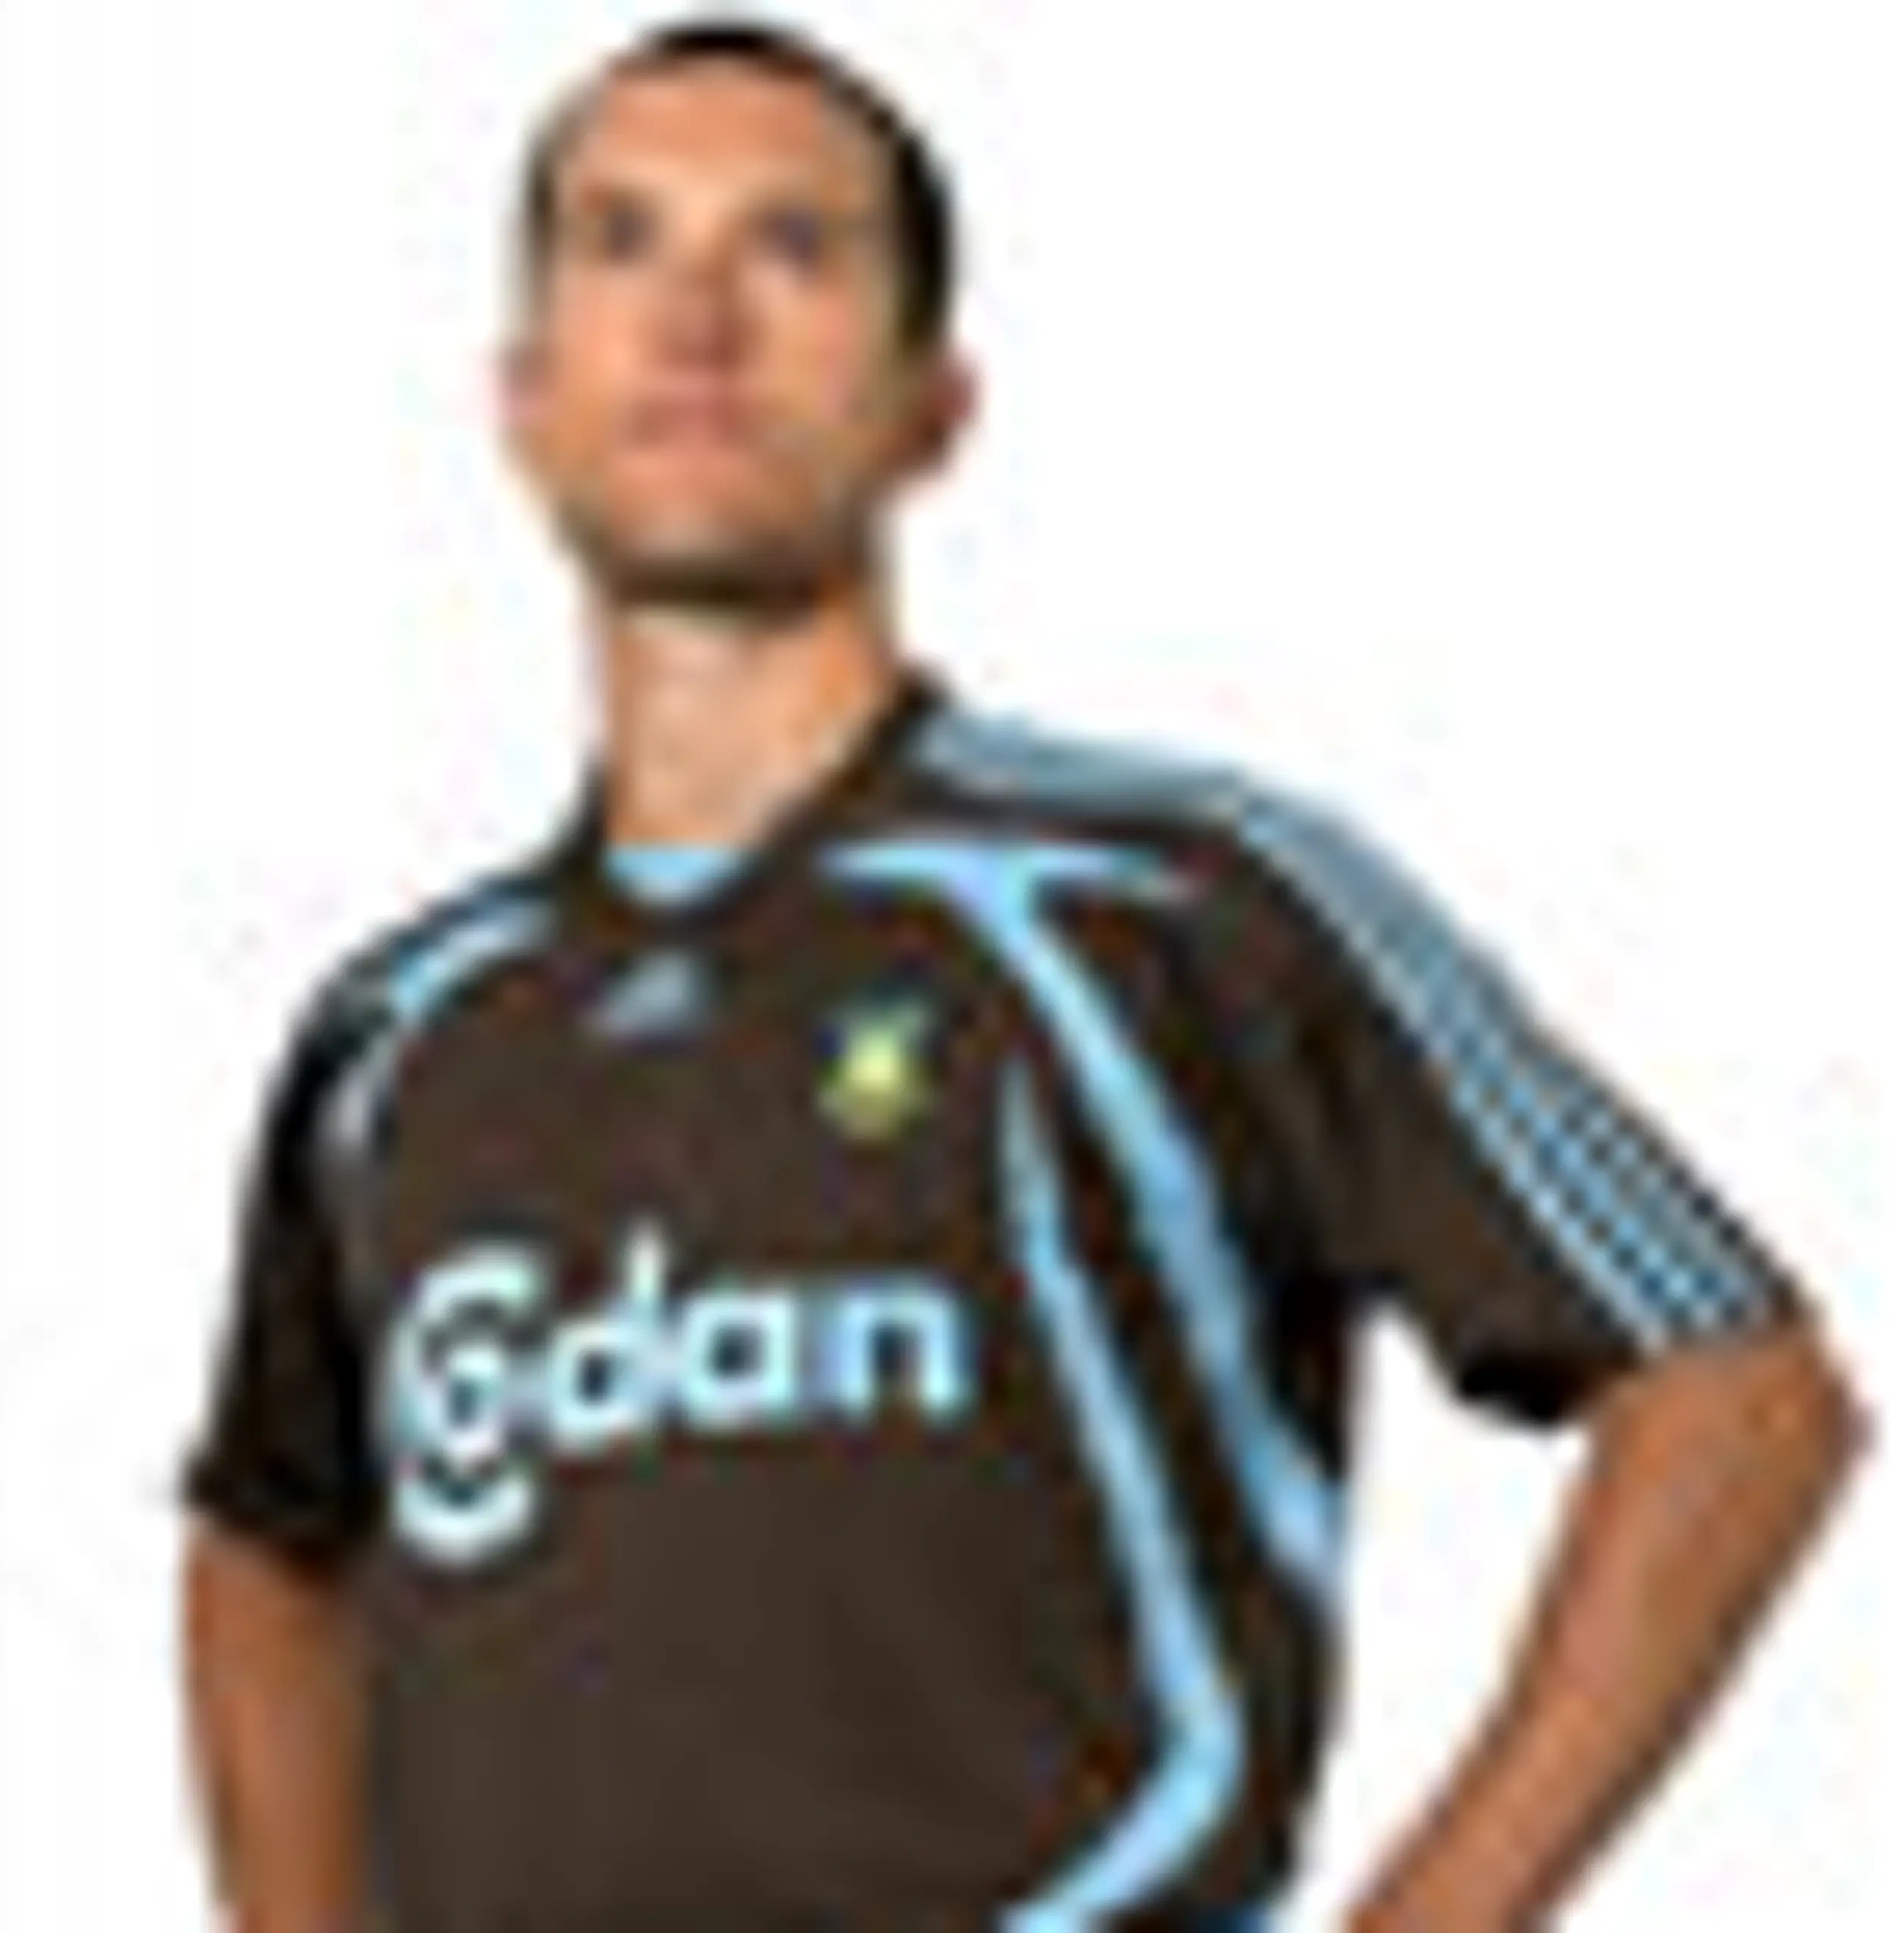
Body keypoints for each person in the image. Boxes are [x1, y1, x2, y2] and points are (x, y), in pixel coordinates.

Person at [173, 14, 1872, 1933]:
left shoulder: (1176, 903)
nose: (696, 318)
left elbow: (1732, 1386)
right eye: (618, 240)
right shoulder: (395, 1033)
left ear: (933, 406)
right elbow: (269, 1539)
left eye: (794, 248)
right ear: (525, 399)